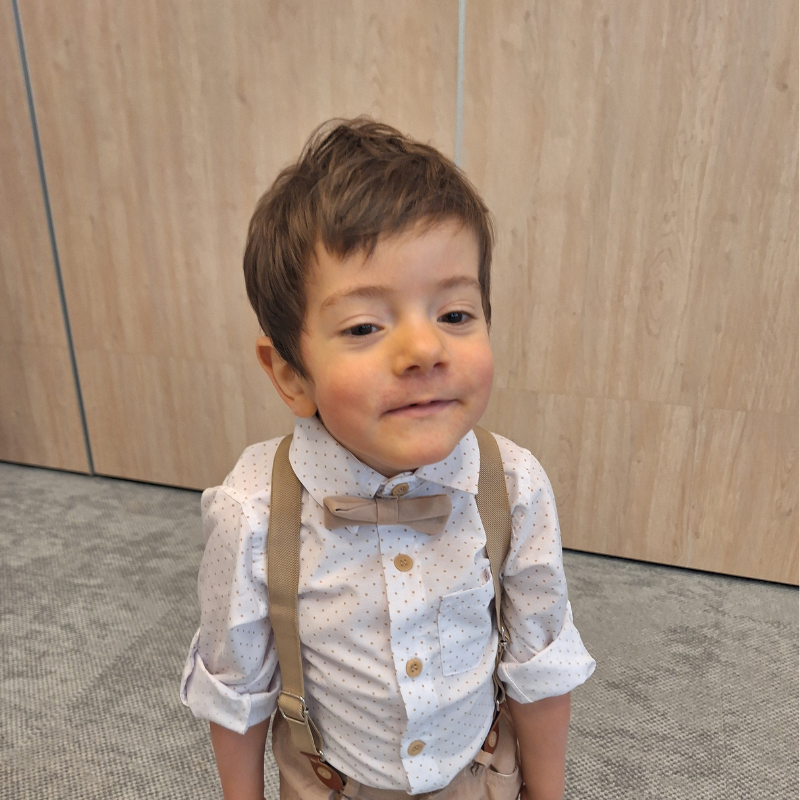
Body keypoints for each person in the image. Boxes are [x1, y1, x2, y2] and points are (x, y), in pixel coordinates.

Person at [180, 118, 596, 800]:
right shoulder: (251, 512)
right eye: (365, 326)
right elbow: (235, 690)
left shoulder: (513, 484)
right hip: (330, 783)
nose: (425, 349)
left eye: (455, 315)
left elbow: (540, 661)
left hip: (478, 774)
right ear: (289, 373)